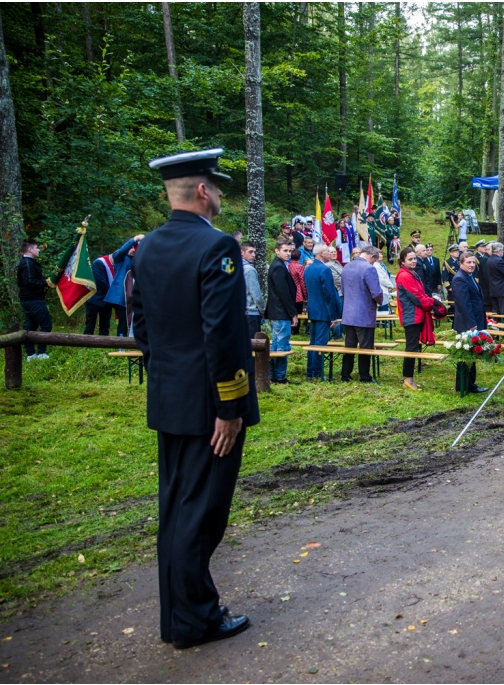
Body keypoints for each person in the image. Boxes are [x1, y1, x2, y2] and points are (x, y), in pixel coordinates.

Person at [134, 148, 257, 649]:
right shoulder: (216, 248)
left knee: (177, 509)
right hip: (210, 408)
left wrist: (170, 373)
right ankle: (195, 620)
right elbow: (224, 336)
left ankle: (179, 616)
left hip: (170, 397)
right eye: (218, 186)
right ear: (202, 191)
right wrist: (228, 408)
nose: (222, 195)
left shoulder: (148, 247)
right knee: (201, 514)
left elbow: (141, 323)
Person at [339, 246, 384, 383]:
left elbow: (343, 289)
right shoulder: (369, 269)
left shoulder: (346, 267)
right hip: (364, 314)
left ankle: (345, 375)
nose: (373, 263)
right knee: (366, 347)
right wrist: (381, 301)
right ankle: (364, 376)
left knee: (350, 347)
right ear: (372, 256)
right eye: (374, 260)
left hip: (348, 313)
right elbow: (376, 292)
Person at [395, 246, 436, 391]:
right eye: (410, 259)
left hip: (416, 314)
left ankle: (410, 379)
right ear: (402, 261)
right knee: (411, 348)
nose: (413, 261)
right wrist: (432, 304)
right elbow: (417, 297)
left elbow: (421, 292)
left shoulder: (411, 273)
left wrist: (430, 301)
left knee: (413, 347)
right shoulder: (405, 275)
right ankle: (408, 380)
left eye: (414, 259)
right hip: (411, 315)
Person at [450, 251, 488, 394]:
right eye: (468, 262)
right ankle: (465, 385)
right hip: (468, 323)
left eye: (473, 262)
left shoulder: (469, 276)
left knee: (471, 354)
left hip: (475, 319)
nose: (472, 265)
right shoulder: (460, 278)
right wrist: (472, 324)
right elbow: (463, 304)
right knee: (466, 355)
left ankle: (468, 383)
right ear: (461, 264)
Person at [304, 243, 343, 381]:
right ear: (321, 253)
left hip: (313, 310)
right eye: (327, 251)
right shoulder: (324, 270)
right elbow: (329, 294)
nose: (330, 253)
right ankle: (316, 373)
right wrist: (333, 316)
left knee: (313, 343)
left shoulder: (308, 269)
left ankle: (310, 371)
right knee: (320, 343)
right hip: (323, 311)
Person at [266, 237, 298, 384]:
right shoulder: (278, 267)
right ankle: (279, 377)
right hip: (280, 311)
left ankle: (273, 376)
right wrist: (293, 313)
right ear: (277, 251)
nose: (288, 253)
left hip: (278, 311)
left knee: (276, 344)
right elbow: (283, 293)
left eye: (290, 251)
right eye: (285, 250)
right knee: (281, 345)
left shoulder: (280, 265)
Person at [17, 239, 53, 360]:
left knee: (30, 327)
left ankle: (31, 354)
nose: (38, 250)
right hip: (33, 300)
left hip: (28, 299)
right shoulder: (27, 263)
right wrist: (45, 283)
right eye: (37, 248)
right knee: (46, 325)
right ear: (30, 249)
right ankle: (41, 353)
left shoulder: (29, 262)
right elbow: (29, 281)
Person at [104, 234, 146, 337]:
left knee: (134, 322)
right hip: (121, 297)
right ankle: (121, 346)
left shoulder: (138, 261)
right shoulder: (120, 258)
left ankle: (133, 342)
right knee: (123, 322)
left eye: (135, 248)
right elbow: (122, 251)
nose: (133, 250)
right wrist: (134, 239)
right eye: (131, 247)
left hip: (133, 297)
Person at [84, 248, 114, 336]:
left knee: (105, 325)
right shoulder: (99, 263)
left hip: (107, 300)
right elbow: (102, 282)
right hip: (94, 298)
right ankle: (86, 343)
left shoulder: (116, 265)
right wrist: (114, 294)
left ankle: (104, 344)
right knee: (90, 324)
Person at [239, 241, 265, 339]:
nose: (253, 255)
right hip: (251, 311)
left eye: (254, 252)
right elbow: (256, 294)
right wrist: (262, 310)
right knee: (254, 345)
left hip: (240, 310)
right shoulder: (249, 270)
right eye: (250, 252)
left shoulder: (234, 267)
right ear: (242, 252)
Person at [487, 242, 504, 315]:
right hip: (503, 291)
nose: (503, 252)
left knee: (496, 312)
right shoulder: (499, 260)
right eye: (502, 250)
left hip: (493, 289)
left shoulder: (489, 259)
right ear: (499, 251)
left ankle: (495, 326)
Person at [326, 246, 346, 339]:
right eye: (331, 252)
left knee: (342, 314)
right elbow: (337, 280)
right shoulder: (329, 265)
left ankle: (340, 333)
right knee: (338, 313)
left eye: (334, 252)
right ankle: (336, 335)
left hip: (343, 291)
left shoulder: (337, 263)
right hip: (338, 292)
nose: (334, 253)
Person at [473, 240, 491, 308]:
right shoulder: (475, 257)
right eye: (482, 246)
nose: (484, 248)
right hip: (478, 279)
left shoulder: (485, 257)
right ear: (478, 248)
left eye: (485, 246)